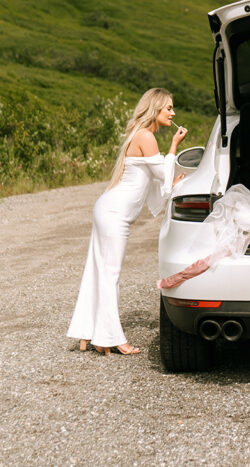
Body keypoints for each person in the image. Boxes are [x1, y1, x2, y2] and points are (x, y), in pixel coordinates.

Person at [67, 88, 188, 355]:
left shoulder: (143, 135)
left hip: (108, 208)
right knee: (110, 274)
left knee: (99, 270)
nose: (173, 113)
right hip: (114, 214)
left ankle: (89, 333)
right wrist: (174, 147)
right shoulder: (146, 136)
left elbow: (159, 181)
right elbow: (161, 173)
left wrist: (171, 182)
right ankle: (110, 338)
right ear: (155, 109)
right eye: (168, 108)